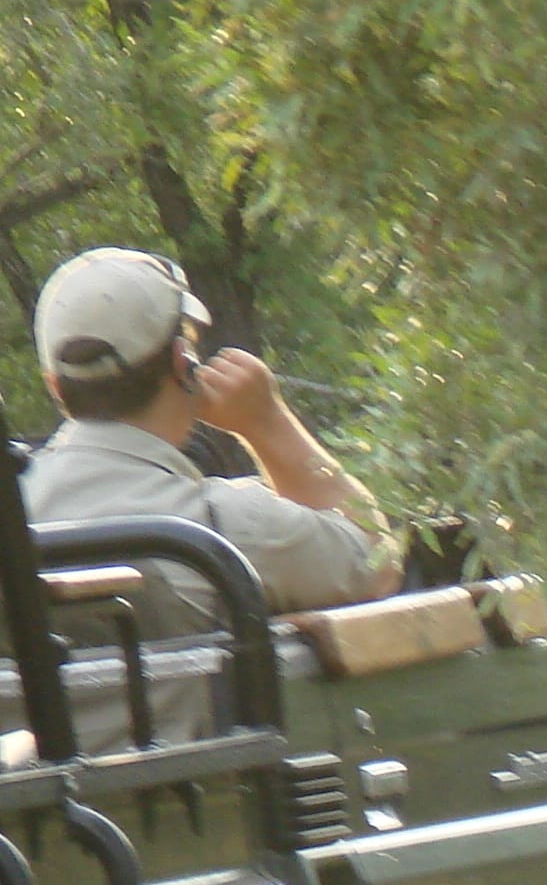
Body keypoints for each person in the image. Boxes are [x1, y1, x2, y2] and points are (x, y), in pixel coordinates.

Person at [26, 246, 402, 634]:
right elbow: (378, 562)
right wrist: (268, 424)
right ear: (182, 361)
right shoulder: (227, 524)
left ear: (55, 386)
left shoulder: (13, 519)